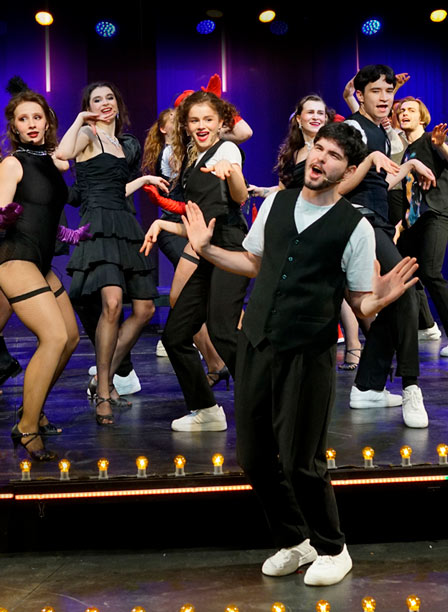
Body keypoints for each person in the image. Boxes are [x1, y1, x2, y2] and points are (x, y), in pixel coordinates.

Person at [181, 122, 419, 585]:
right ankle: (295, 540)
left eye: (333, 156)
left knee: (300, 461)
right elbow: (253, 262)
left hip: (308, 353)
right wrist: (206, 250)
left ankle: (333, 548)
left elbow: (359, 302)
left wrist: (378, 299)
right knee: (253, 457)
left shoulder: (355, 227)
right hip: (258, 344)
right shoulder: (277, 203)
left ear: (347, 170)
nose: (320, 159)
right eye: (318, 149)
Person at [56, 81, 168, 425]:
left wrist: (145, 181)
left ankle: (103, 379)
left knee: (146, 309)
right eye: (96, 99)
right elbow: (62, 155)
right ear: (88, 107)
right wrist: (80, 119)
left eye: (109, 98)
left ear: (118, 104)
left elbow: (117, 188)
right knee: (113, 304)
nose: (104, 103)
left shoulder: (122, 144)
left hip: (124, 223)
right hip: (98, 224)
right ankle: (104, 391)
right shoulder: (86, 135)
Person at [141, 90, 250, 431]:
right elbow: (196, 224)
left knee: (222, 330)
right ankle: (206, 410)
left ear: (220, 123)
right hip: (204, 249)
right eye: (194, 120)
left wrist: (230, 173)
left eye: (208, 119)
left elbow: (239, 197)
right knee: (175, 335)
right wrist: (163, 224)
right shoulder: (190, 160)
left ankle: (267, 400)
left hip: (230, 247)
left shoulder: (226, 150)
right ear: (186, 126)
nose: (201, 126)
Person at [343, 64, 435, 428]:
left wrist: (410, 165)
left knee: (395, 302)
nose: (385, 98)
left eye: (389, 91)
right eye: (376, 91)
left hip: (377, 221)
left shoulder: (381, 133)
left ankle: (368, 387)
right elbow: (340, 186)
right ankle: (411, 385)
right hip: (358, 220)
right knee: (406, 290)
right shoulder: (354, 129)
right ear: (360, 95)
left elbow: (380, 181)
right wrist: (369, 159)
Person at [250, 95, 363, 370]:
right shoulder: (292, 152)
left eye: (320, 113)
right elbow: (283, 190)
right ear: (298, 118)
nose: (315, 117)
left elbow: (335, 187)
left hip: (320, 219)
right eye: (310, 112)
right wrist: (261, 192)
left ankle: (354, 345)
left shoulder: (332, 155)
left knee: (336, 285)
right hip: (292, 220)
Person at [0, 89, 80, 460]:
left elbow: (70, 151)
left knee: (70, 338)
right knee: (54, 336)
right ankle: (27, 426)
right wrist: (4, 214)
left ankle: (33, 406)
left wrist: (85, 120)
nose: (31, 124)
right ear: (14, 127)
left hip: (41, 261)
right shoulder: (12, 164)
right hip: (16, 258)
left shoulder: (52, 159)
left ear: (47, 122)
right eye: (23, 119)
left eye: (37, 117)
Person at [395, 97, 448, 356]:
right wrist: (402, 224)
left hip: (436, 214)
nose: (404, 113)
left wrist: (440, 146)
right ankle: (426, 325)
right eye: (401, 111)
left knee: (430, 272)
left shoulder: (431, 140)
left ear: (422, 118)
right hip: (415, 221)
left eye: (411, 110)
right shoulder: (408, 151)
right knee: (403, 270)